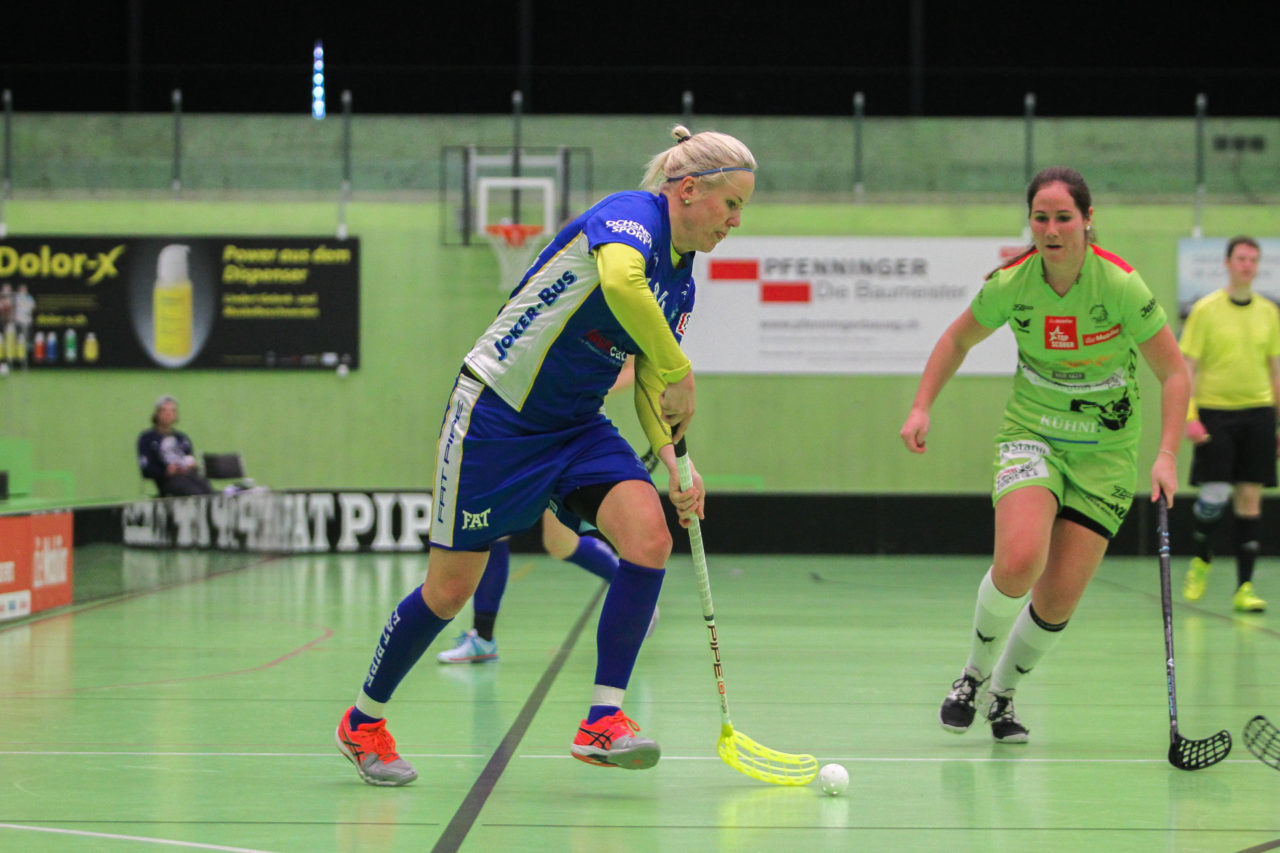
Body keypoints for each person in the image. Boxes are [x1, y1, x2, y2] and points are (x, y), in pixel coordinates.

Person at [335, 125, 755, 786]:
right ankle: (363, 721)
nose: (736, 220)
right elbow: (620, 285)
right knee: (450, 590)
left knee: (649, 536)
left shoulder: (684, 283)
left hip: (576, 427)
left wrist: (678, 463)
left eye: (743, 209)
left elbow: (651, 380)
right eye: (731, 204)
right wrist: (683, 365)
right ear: (689, 190)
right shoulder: (629, 216)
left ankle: (603, 720)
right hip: (496, 416)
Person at [899, 166, 1189, 744]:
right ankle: (972, 676)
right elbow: (957, 338)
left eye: (1063, 218)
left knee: (1057, 598)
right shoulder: (1012, 283)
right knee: (1018, 561)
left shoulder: (1122, 286)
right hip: (1033, 433)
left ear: (1087, 221)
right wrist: (921, 406)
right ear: (1029, 222)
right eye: (1040, 218)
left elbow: (1174, 373)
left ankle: (1003, 694)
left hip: (1106, 456)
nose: (1051, 230)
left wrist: (1166, 454)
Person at [436, 361, 659, 663]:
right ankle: (483, 638)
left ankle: (633, 587)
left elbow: (636, 370)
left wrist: (585, 391)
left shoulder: (623, 321)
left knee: (560, 544)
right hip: (525, 432)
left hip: (571, 437)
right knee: (494, 530)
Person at [1180, 236, 1280, 612]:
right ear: (1227, 263)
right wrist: (1189, 416)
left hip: (1258, 411)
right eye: (1241, 258)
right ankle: (1202, 558)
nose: (1247, 265)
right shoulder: (1206, 310)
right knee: (1215, 496)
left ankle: (1245, 587)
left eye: (1253, 260)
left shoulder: (1269, 312)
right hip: (1215, 412)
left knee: (1250, 497)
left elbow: (1275, 369)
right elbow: (1188, 366)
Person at [136, 395, 214, 496]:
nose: (169, 414)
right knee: (193, 492)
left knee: (208, 489)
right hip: (168, 482)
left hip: (189, 477)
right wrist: (166, 471)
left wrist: (192, 465)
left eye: (173, 411)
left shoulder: (182, 438)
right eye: (164, 410)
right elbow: (146, 469)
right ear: (157, 413)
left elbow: (189, 458)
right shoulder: (147, 438)